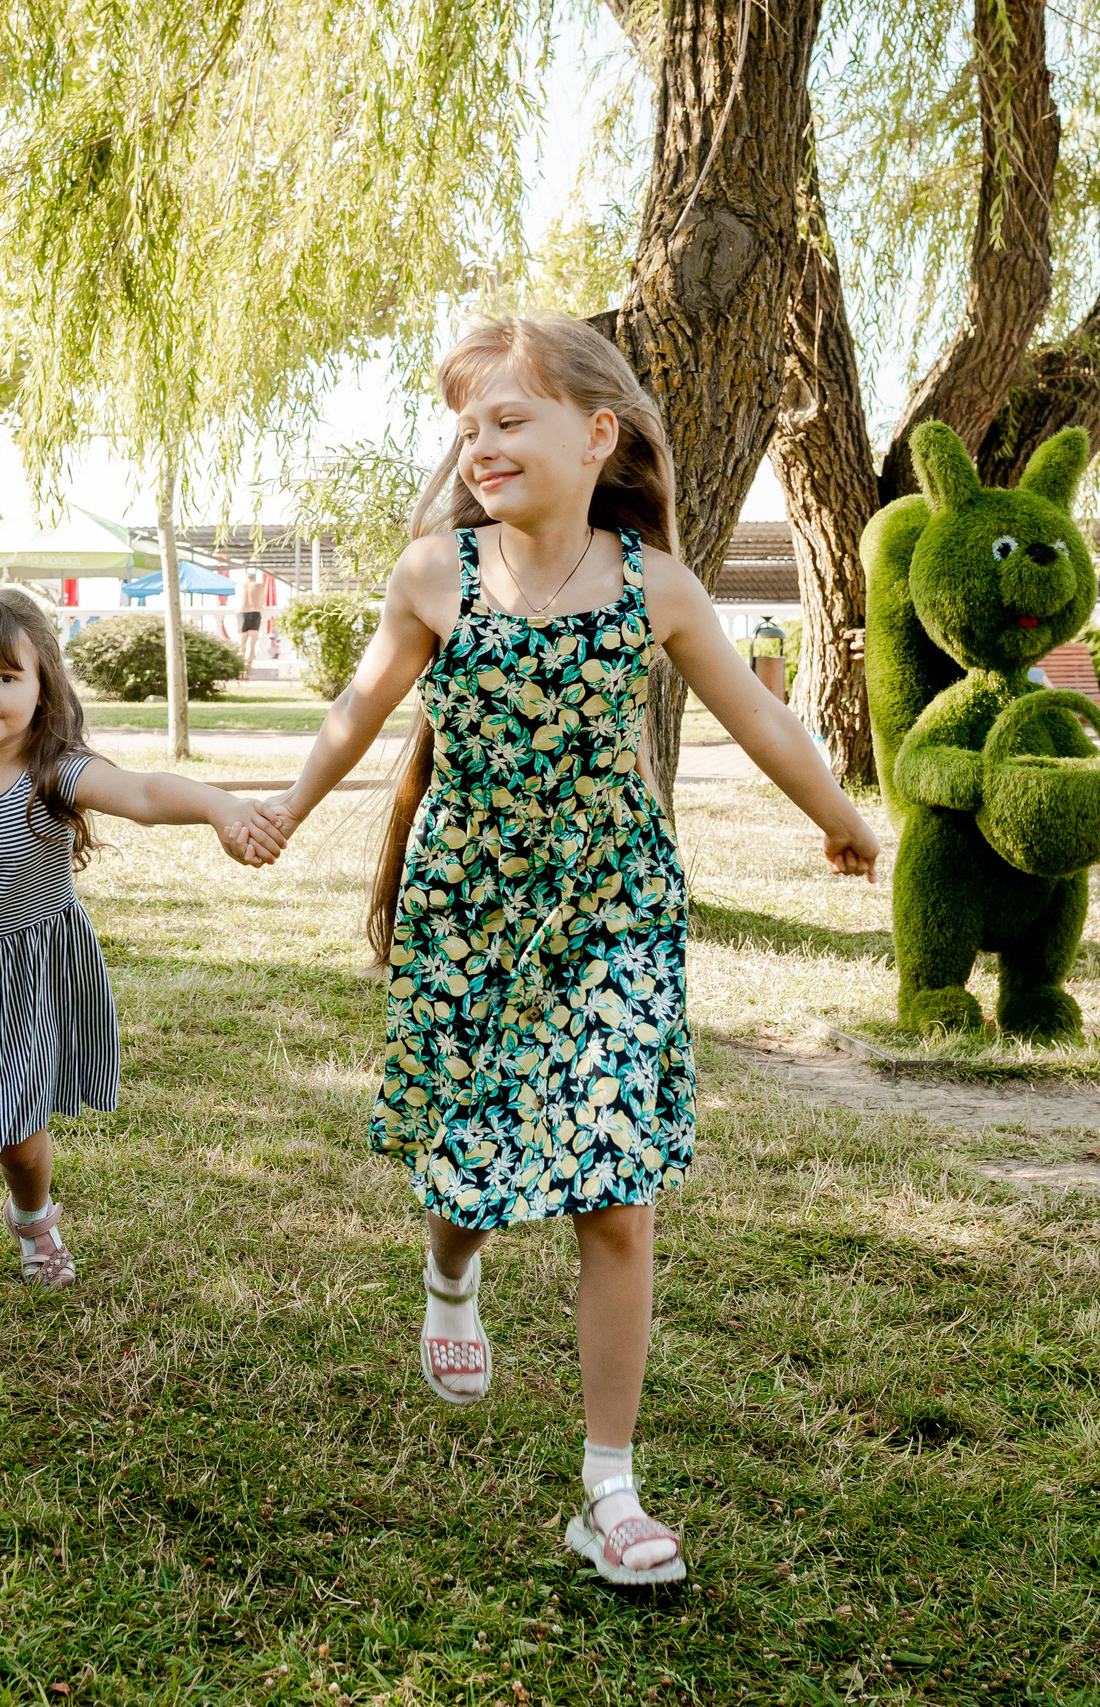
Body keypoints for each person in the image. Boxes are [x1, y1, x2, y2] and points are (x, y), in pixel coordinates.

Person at [255, 316, 880, 1585]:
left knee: (614, 1184)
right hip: (469, 911)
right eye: (468, 425)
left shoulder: (652, 584)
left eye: (508, 419)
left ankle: (609, 1490)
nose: (479, 445)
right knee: (470, 1165)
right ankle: (449, 1276)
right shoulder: (436, 573)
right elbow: (358, 710)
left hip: (610, 910)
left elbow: (758, 713)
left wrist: (842, 819)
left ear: (596, 435)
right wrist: (280, 810)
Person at [0, 587, 286, 1370]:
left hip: (32, 975)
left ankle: (34, 1219)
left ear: (43, 689)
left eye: (7, 676)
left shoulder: (53, 770)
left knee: (20, 1139)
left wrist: (220, 806)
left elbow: (140, 791)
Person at [236, 567, 267, 666]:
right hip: (255, 613)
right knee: (251, 643)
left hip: (242, 613)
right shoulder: (259, 586)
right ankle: (248, 666)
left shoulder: (239, 586)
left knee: (242, 644)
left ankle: (240, 667)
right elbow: (262, 601)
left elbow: (238, 599)